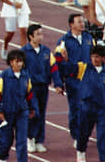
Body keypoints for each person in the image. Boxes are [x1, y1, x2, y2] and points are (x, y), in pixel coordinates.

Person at [22, 24, 64, 153]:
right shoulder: (23, 52)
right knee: (34, 113)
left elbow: (54, 68)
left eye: (41, 34)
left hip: (43, 87)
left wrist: (58, 84)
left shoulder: (46, 51)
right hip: (30, 88)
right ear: (30, 36)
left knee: (42, 114)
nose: (41, 36)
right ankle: (30, 138)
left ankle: (39, 140)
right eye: (38, 34)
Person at [54, 13, 95, 142]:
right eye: (79, 22)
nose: (82, 24)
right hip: (73, 79)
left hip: (88, 79)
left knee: (89, 109)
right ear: (71, 24)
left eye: (83, 21)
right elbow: (58, 62)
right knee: (76, 108)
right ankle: (77, 136)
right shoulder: (63, 41)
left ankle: (84, 133)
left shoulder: (89, 38)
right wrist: (59, 83)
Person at [0, 50, 38, 162]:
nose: (19, 64)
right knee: (6, 141)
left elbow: (30, 94)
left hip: (22, 112)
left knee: (22, 141)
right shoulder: (4, 77)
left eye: (21, 61)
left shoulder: (25, 76)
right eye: (17, 61)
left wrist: (32, 108)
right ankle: (2, 158)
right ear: (11, 62)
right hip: (7, 113)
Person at [74, 46, 105, 162]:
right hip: (87, 107)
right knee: (84, 132)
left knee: (102, 134)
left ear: (102, 58)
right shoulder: (84, 67)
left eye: (97, 57)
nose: (95, 59)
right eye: (93, 57)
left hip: (102, 108)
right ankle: (81, 151)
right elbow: (69, 69)